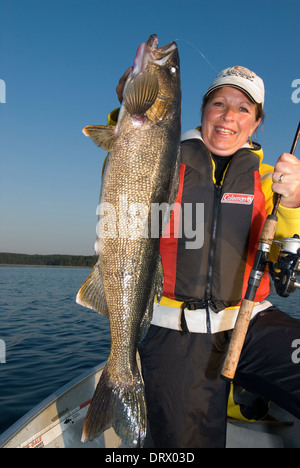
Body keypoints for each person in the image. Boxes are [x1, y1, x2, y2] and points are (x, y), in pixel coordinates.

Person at [113, 65, 300, 448]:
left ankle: (239, 394)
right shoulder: (163, 166)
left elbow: (291, 235)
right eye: (219, 103)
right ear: (201, 111)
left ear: (257, 122)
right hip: (177, 333)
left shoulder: (270, 181)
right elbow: (131, 159)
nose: (229, 116)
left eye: (243, 109)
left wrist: (295, 201)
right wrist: (129, 111)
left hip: (252, 325)